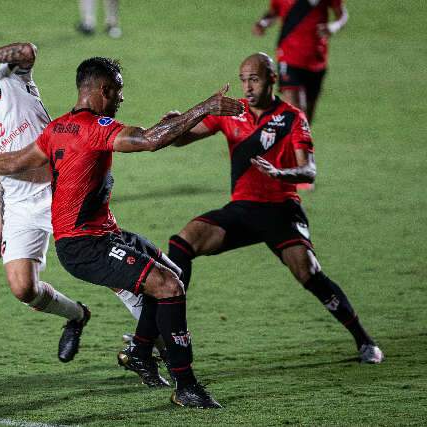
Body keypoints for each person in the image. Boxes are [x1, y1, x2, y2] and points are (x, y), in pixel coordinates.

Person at [0, 57, 245, 408]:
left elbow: (14, 161)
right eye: (119, 93)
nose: (121, 101)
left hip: (103, 234)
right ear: (104, 90)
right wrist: (207, 107)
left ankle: (141, 352)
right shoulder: (95, 128)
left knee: (174, 276)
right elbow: (148, 140)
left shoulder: (58, 128)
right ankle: (186, 386)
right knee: (168, 286)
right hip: (85, 246)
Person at [164, 52, 384, 365]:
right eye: (243, 79)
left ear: (271, 79)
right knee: (182, 243)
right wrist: (173, 124)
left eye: (254, 79)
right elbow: (180, 140)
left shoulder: (292, 117)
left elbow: (309, 171)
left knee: (308, 272)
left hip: (281, 209)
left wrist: (282, 174)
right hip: (242, 209)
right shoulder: (232, 112)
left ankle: (365, 341)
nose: (247, 86)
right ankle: (163, 332)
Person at [0, 25, 91, 364]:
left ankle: (150, 341)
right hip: (18, 204)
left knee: (99, 265)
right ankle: (76, 316)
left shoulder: (11, 75)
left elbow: (28, 49)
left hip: (59, 189)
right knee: (22, 288)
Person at [252, 0, 348, 124]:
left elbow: (342, 15)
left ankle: (286, 140)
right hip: (288, 57)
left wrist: (333, 27)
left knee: (306, 121)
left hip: (316, 59)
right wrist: (263, 23)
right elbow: (274, 11)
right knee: (297, 116)